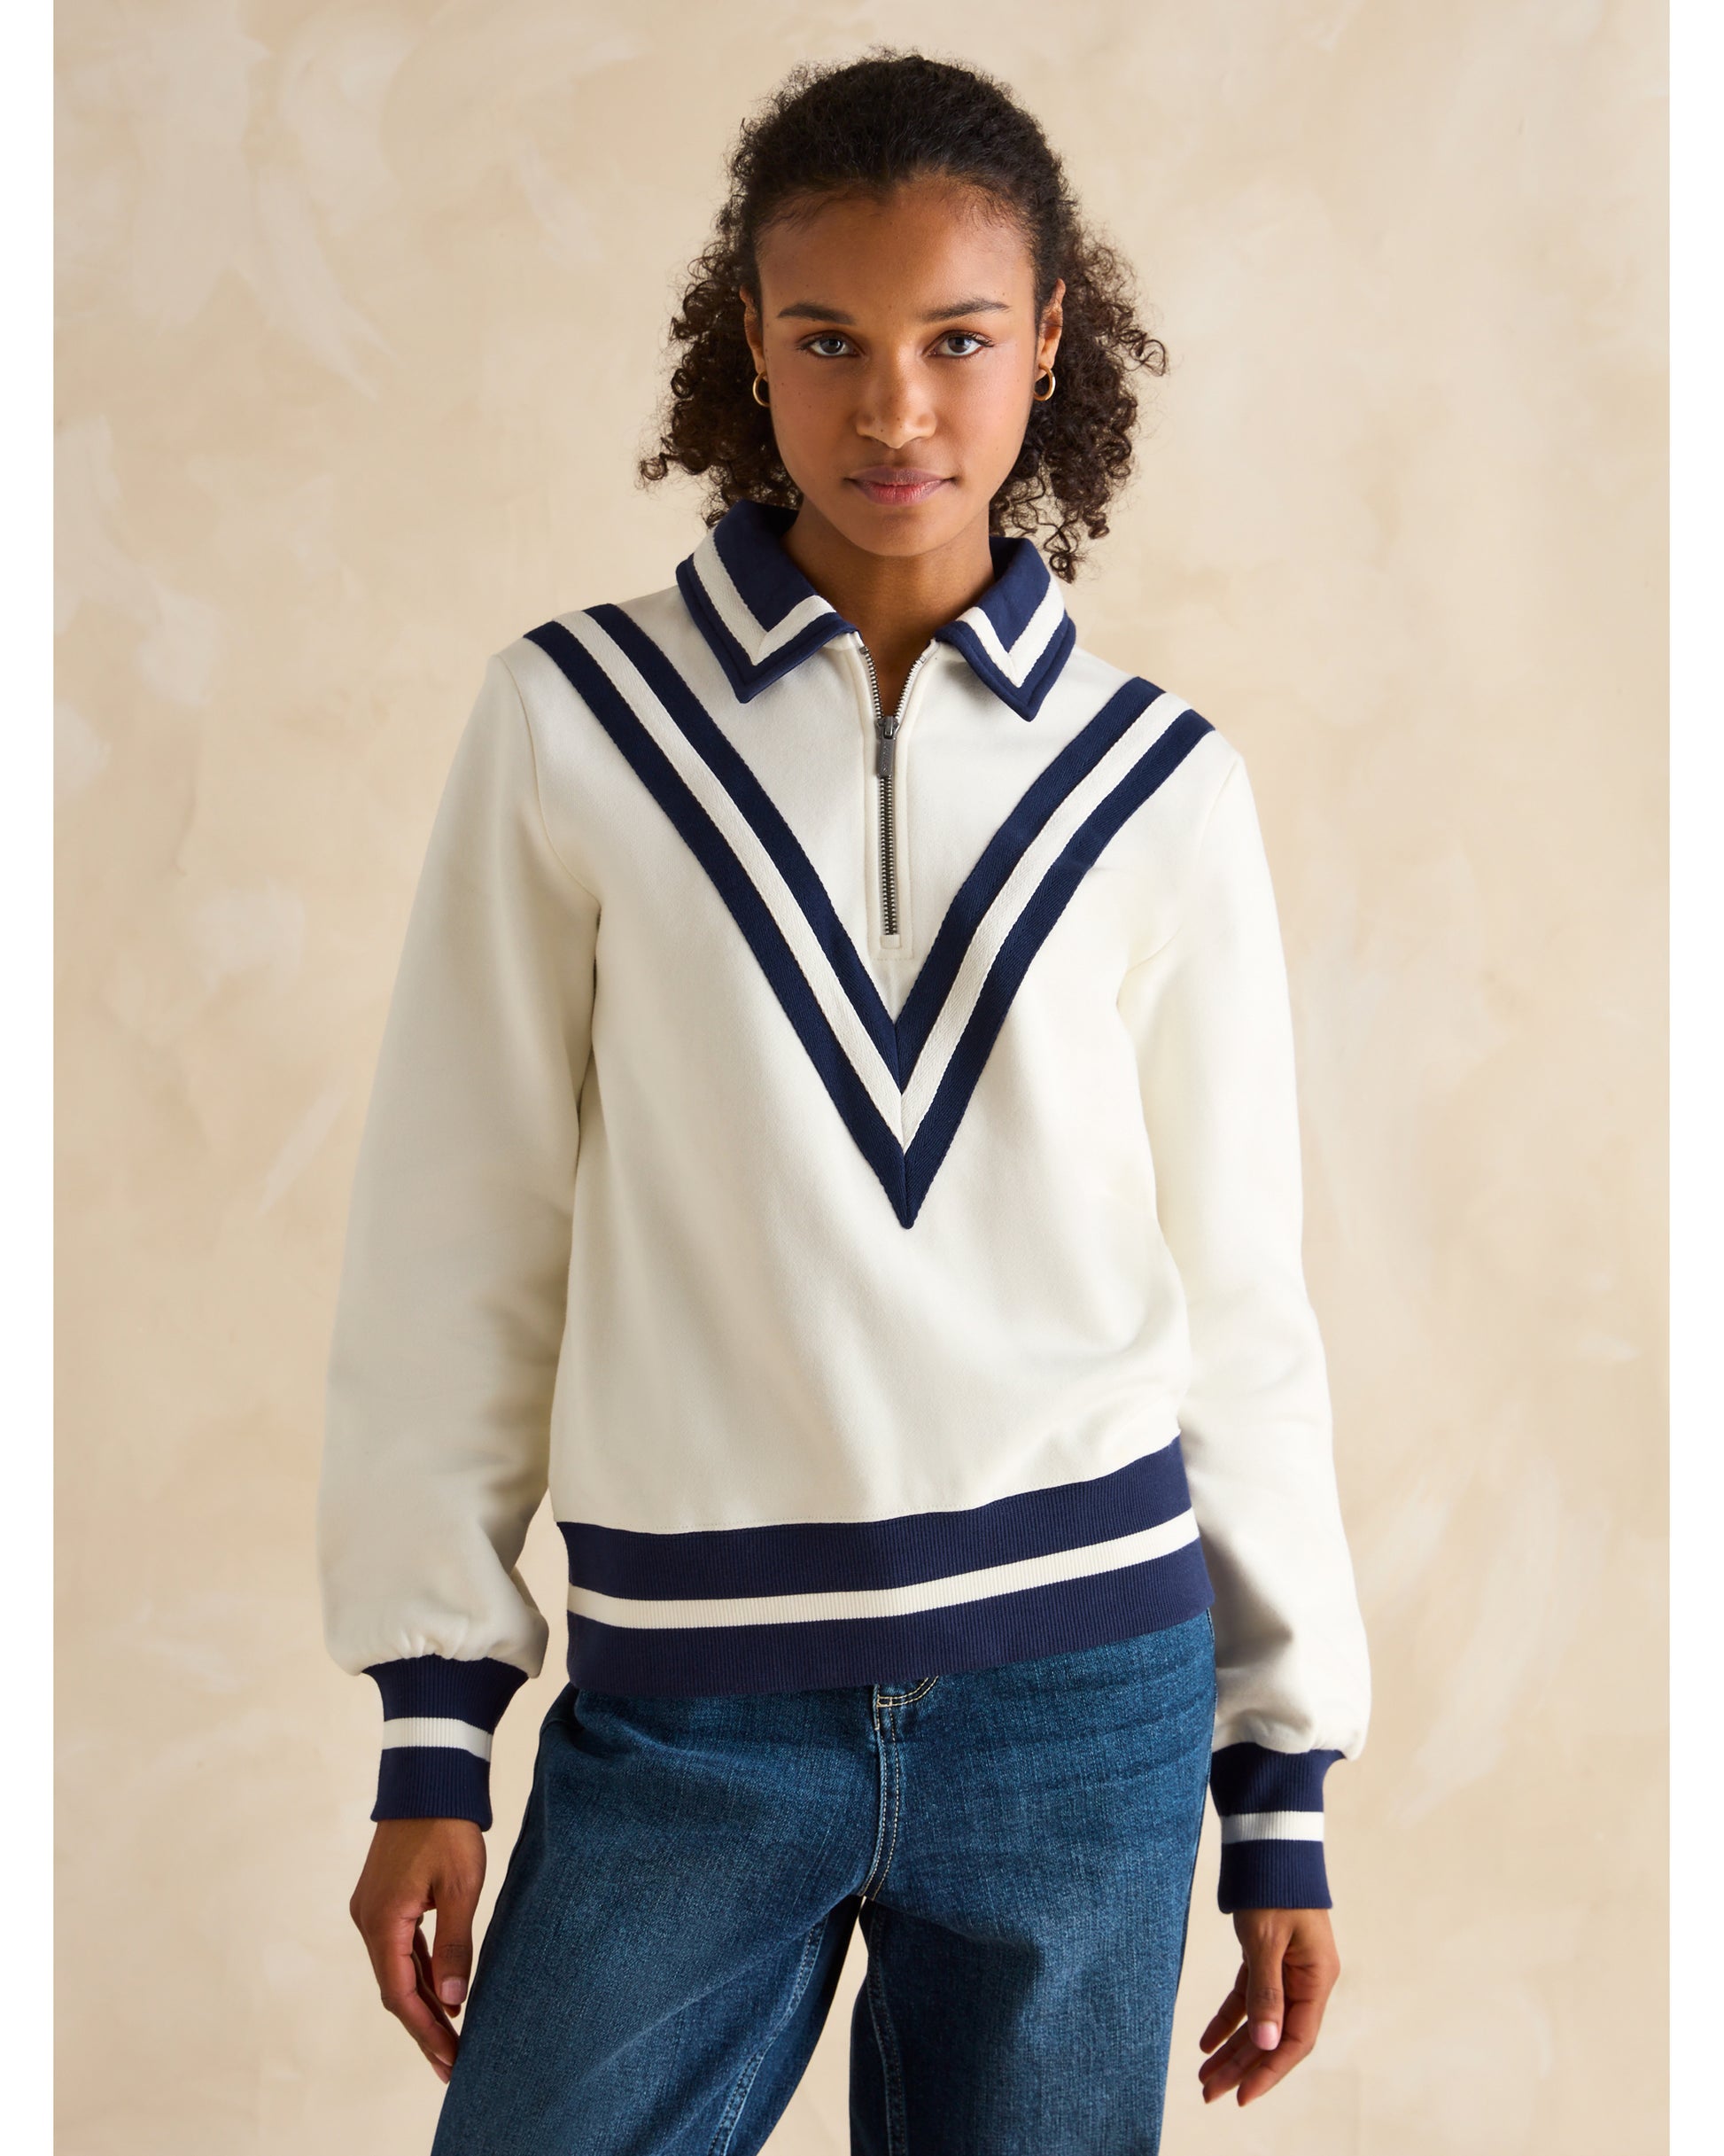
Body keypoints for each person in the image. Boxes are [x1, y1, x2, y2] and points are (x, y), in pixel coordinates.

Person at [317, 47, 1371, 2156]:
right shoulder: (573, 725)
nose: (894, 408)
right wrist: (434, 1721)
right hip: (692, 1703)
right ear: (750, 344)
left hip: (1084, 1705)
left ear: (1051, 339)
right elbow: (460, 1227)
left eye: (956, 340)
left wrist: (1283, 1778)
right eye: (830, 341)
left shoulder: (1163, 785)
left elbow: (1239, 1293)